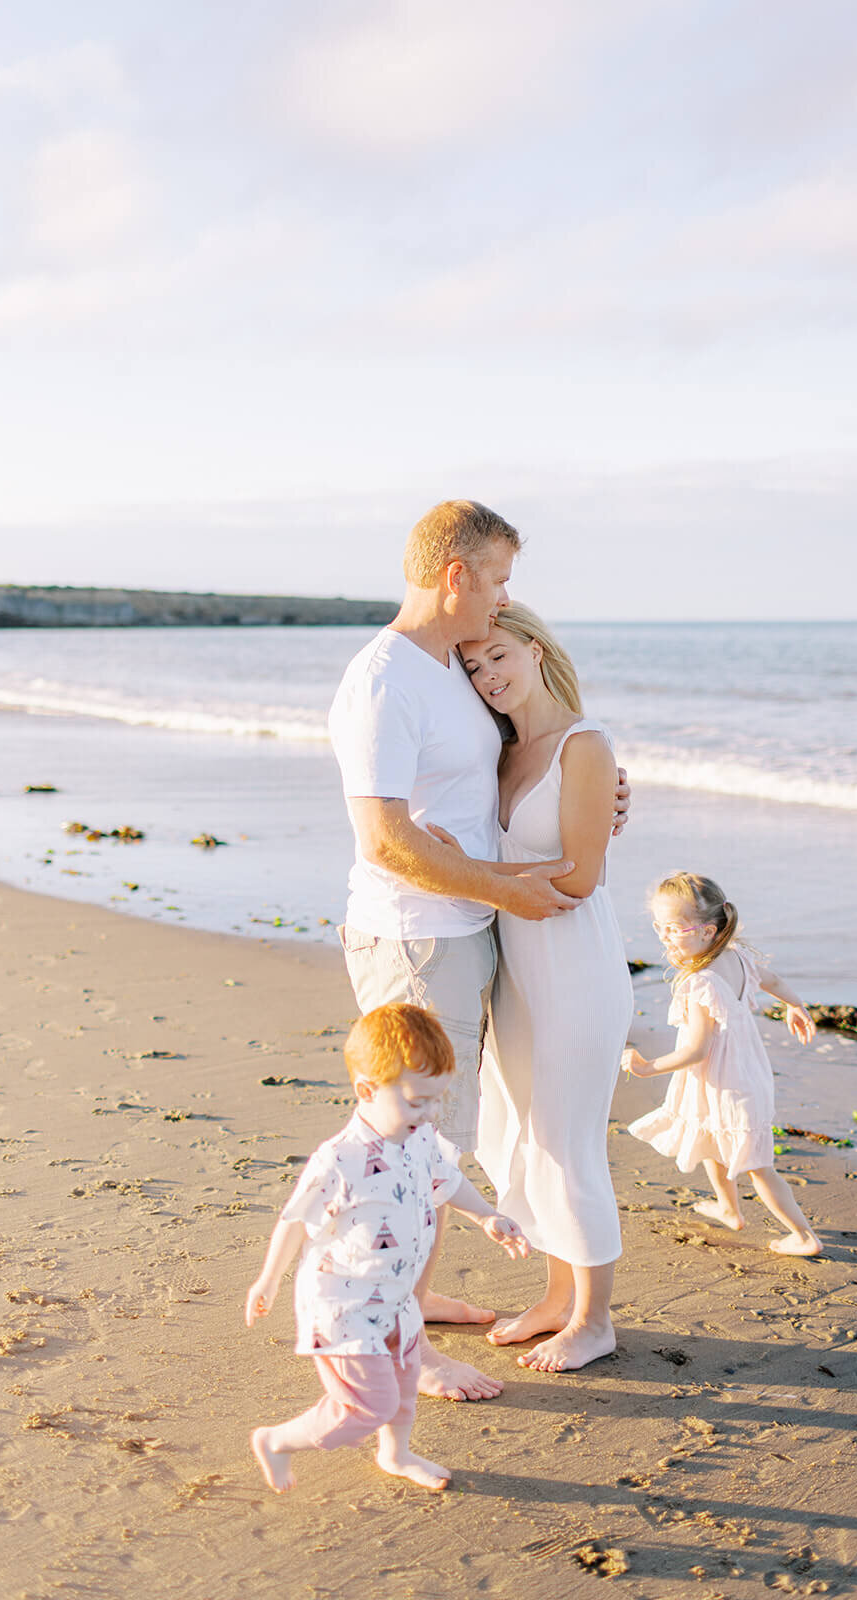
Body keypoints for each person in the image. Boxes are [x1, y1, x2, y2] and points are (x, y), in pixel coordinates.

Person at [328, 499, 629, 1401]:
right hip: (420, 940)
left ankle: (416, 1298)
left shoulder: (446, 670)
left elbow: (526, 755)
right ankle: (403, 1343)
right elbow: (380, 839)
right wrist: (509, 887)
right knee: (415, 1143)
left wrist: (601, 791)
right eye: (497, 578)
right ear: (456, 575)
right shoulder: (385, 677)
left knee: (451, 1141)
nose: (504, 600)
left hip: (472, 937)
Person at [433, 603, 633, 1372]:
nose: (487, 678)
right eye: (474, 669)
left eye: (496, 658)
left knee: (568, 1143)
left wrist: (469, 870)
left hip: (577, 970)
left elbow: (580, 878)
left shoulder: (584, 746)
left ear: (535, 648)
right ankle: (555, 1298)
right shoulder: (504, 751)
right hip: (517, 976)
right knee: (521, 1134)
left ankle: (594, 1319)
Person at [245, 1003, 529, 1494]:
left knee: (404, 1381)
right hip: (345, 1308)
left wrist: (486, 1214)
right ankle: (276, 1440)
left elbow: (448, 1181)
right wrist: (267, 1280)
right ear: (367, 1091)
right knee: (365, 1405)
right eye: (419, 1101)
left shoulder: (419, 1138)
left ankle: (395, 1454)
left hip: (397, 1298)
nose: (431, 1114)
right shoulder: (342, 1159)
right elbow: (294, 1220)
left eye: (438, 1100)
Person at [623, 872, 822, 1256]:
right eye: (659, 927)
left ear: (708, 931)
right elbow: (774, 980)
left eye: (675, 929)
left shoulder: (702, 983)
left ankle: (803, 1236)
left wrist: (647, 1067)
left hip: (730, 1085)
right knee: (711, 1139)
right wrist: (795, 1004)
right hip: (736, 1075)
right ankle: (729, 1208)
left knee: (758, 1166)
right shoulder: (739, 957)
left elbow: (696, 1050)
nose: (664, 937)